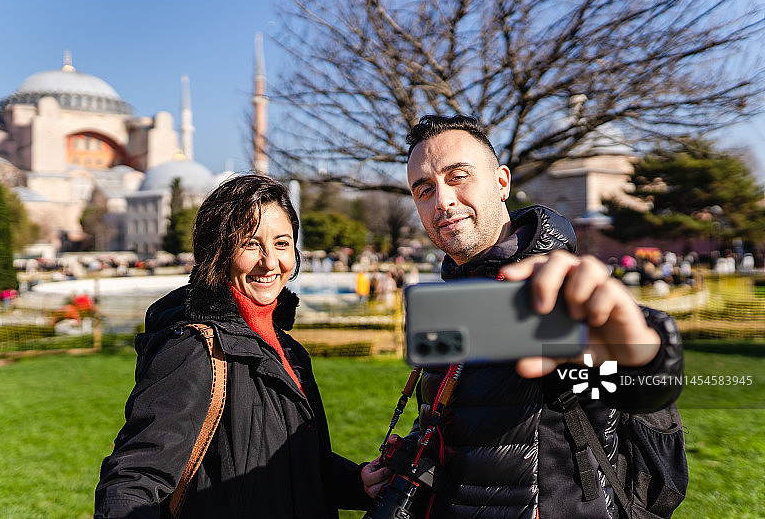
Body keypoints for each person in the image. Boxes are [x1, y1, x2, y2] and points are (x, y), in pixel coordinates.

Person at [363, 115, 684, 518]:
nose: (442, 200)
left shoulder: (562, 288)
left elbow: (644, 384)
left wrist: (644, 348)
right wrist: (408, 454)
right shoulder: (446, 301)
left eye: (458, 177)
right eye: (424, 189)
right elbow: (456, 416)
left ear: (502, 183)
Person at [95, 175, 378, 518]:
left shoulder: (288, 349)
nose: (270, 262)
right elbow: (134, 479)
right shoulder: (196, 348)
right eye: (251, 244)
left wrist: (357, 482)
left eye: (282, 243)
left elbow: (289, 464)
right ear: (217, 252)